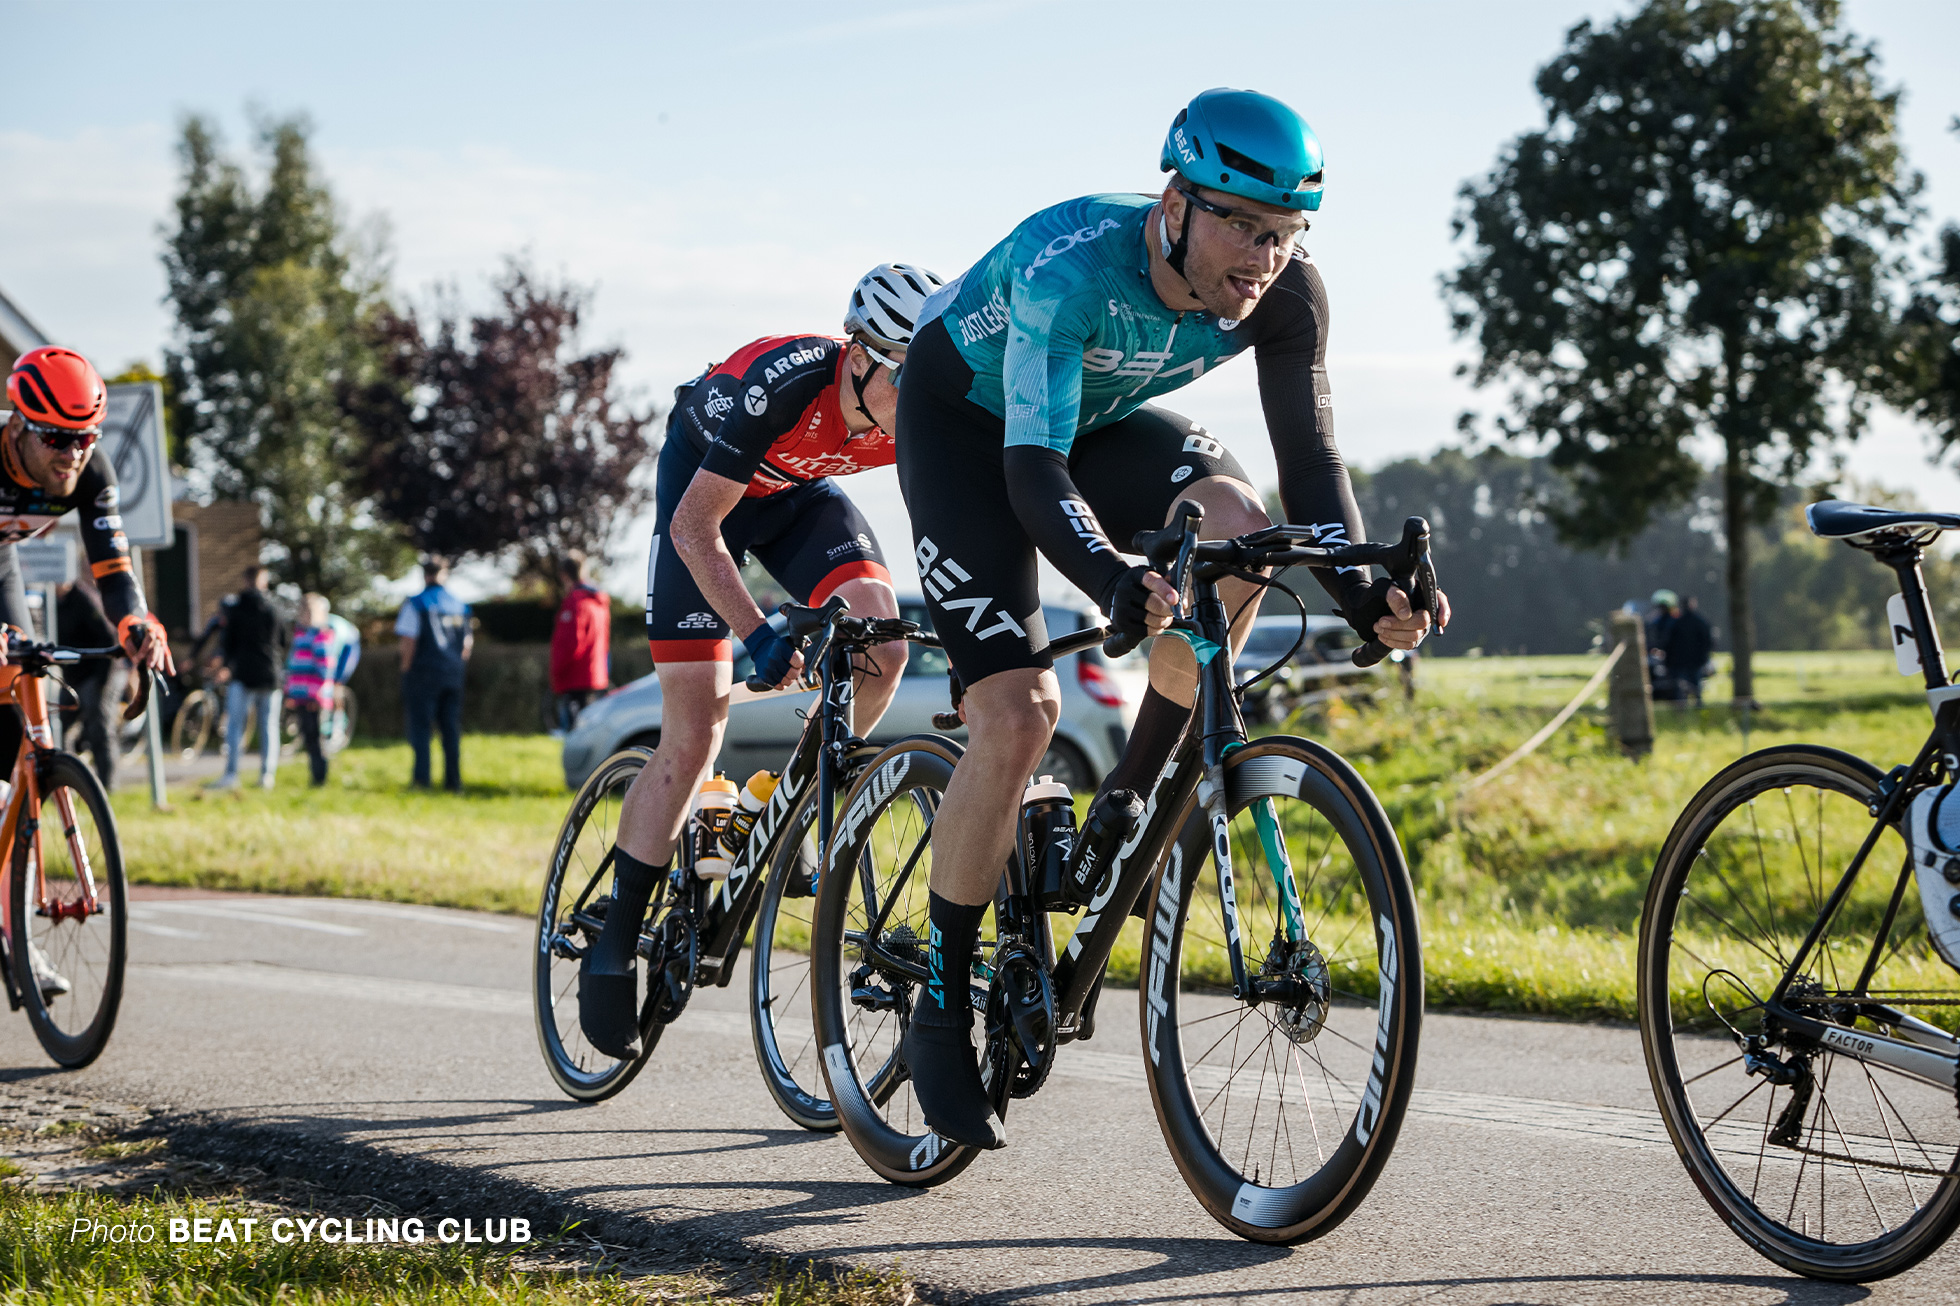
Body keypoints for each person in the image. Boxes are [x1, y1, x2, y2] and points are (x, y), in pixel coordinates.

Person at [889, 89, 1449, 1147]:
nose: (1263, 256)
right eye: (1241, 224)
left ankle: (1128, 800)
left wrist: (1368, 593)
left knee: (1236, 526)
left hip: (1096, 419)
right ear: (1176, 202)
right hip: (971, 427)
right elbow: (1030, 469)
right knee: (1016, 716)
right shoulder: (1069, 269)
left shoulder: (1287, 298)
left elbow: (1311, 471)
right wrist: (1107, 574)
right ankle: (939, 995)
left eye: (1284, 233)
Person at [577, 263, 940, 1059]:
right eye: (905, 380)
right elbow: (695, 530)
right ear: (861, 355)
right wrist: (759, 635)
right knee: (695, 728)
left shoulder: (915, 409)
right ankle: (617, 934)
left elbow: (947, 513)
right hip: (704, 503)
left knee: (884, 644)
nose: (917, 403)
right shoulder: (780, 381)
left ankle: (794, 804)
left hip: (800, 503)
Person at [2, 347, 173, 998]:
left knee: (28, 699)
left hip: (0, 570)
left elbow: (114, 569)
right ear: (17, 426)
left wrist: (135, 625)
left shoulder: (91, 472)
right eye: (54, 438)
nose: (71, 454)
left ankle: (15, 930)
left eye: (84, 438)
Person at [208, 564, 288, 791]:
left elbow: (228, 642)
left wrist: (227, 665)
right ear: (264, 581)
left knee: (235, 726)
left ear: (245, 580)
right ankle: (267, 776)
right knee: (269, 726)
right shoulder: (276, 607)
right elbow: (284, 640)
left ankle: (231, 774)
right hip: (270, 674)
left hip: (242, 675)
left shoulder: (237, 607)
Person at [397, 557, 471, 792]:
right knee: (450, 729)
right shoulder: (460, 605)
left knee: (421, 729)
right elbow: (467, 644)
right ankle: (453, 782)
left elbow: (409, 642)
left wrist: (405, 670)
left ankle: (421, 781)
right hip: (452, 674)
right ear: (445, 573)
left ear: (424, 574)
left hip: (423, 674)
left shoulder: (416, 604)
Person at [55, 576, 124, 789]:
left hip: (98, 673)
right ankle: (65, 782)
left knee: (99, 729)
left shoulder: (84, 599)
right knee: (59, 727)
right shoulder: (53, 602)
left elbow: (108, 637)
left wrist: (101, 681)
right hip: (72, 677)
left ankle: (108, 787)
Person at [549, 552, 610, 733]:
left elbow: (571, 643)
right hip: (596, 675)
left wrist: (556, 670)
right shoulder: (598, 601)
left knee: (577, 733)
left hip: (576, 676)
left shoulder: (575, 601)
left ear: (564, 574)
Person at [285, 593, 336, 785]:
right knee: (308, 738)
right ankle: (314, 776)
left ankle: (320, 778)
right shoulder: (299, 635)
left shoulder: (320, 636)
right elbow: (292, 666)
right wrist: (290, 691)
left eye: (310, 611)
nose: (305, 615)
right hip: (300, 696)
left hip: (314, 698)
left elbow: (325, 669)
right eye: (302, 610)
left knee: (317, 738)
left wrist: (316, 694)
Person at [1663, 595, 1715, 707]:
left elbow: (1668, 644)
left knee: (1680, 689)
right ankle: (1698, 708)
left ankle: (1681, 711)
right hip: (1696, 662)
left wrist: (1668, 662)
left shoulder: (1675, 623)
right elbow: (1708, 642)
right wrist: (1704, 658)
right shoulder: (1701, 622)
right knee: (1696, 687)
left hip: (1680, 663)